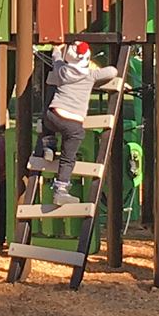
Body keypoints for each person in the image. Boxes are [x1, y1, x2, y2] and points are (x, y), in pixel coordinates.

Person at [37, 40, 118, 202]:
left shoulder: (62, 71)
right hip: (73, 124)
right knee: (68, 158)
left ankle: (49, 143)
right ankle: (60, 189)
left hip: (54, 115)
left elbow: (56, 58)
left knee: (47, 116)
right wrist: (95, 69)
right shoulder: (90, 75)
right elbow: (112, 71)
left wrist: (57, 49)